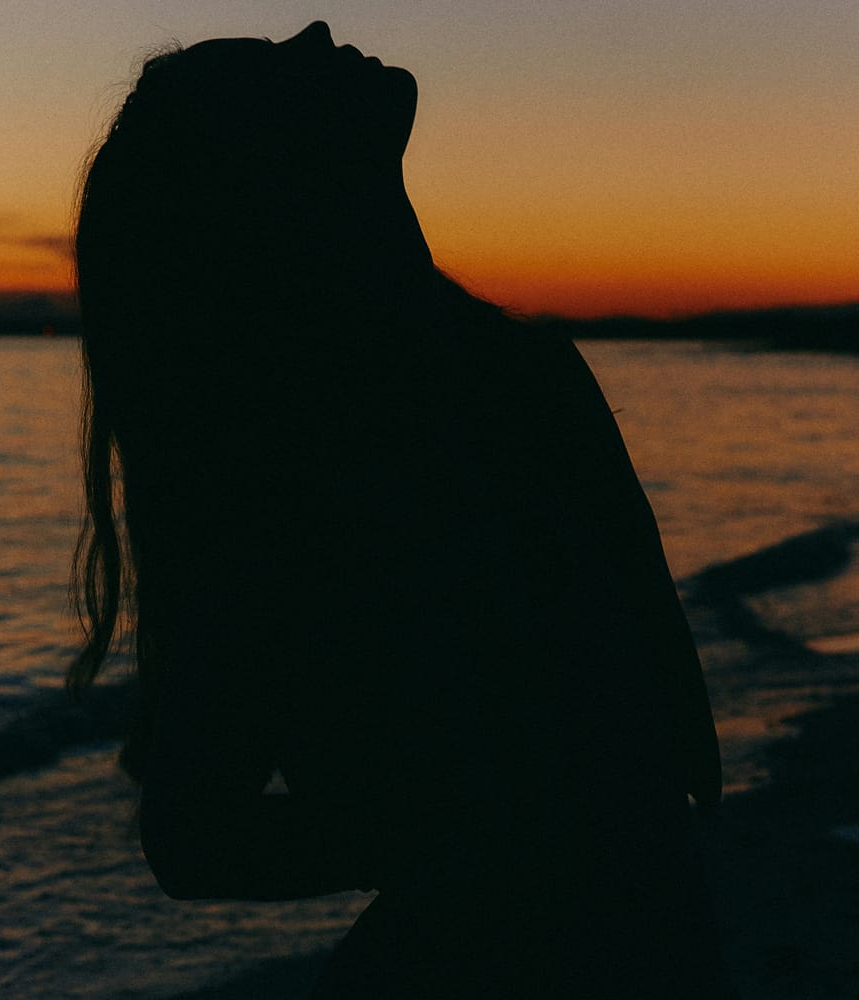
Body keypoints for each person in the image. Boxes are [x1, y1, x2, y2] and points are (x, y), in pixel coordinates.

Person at [70, 20, 732, 997]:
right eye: (273, 68)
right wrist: (493, 834)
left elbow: (669, 726)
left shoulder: (513, 377)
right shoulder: (298, 462)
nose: (320, 29)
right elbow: (195, 838)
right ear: (270, 177)